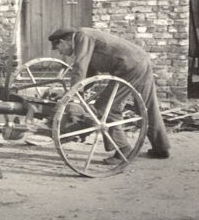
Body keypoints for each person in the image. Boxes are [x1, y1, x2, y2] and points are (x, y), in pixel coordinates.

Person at [48, 27, 170, 161]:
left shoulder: (82, 36)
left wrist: (74, 96)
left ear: (63, 41)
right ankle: (161, 148)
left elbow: (79, 67)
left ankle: (123, 150)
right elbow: (88, 74)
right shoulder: (86, 39)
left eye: (58, 48)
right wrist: (71, 93)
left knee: (106, 107)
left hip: (129, 68)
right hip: (139, 62)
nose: (61, 53)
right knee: (148, 106)